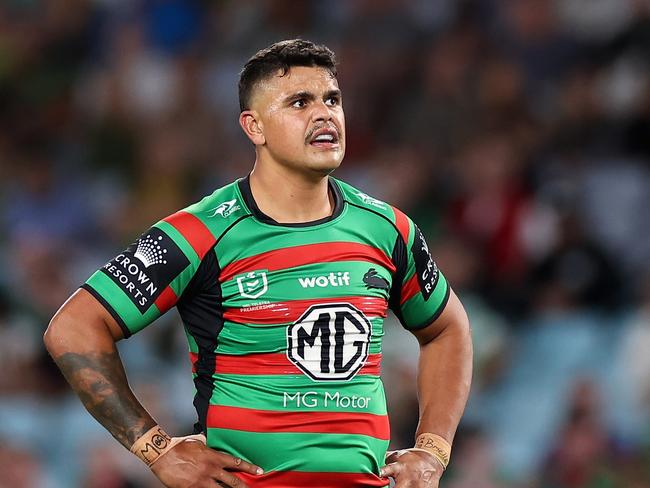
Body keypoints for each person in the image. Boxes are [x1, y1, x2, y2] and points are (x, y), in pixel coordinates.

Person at [44, 39, 472, 488]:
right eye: (299, 103)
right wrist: (155, 449)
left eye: (332, 100)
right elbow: (73, 327)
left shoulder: (387, 229)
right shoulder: (202, 232)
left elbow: (448, 328)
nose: (324, 114)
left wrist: (433, 451)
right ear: (254, 127)